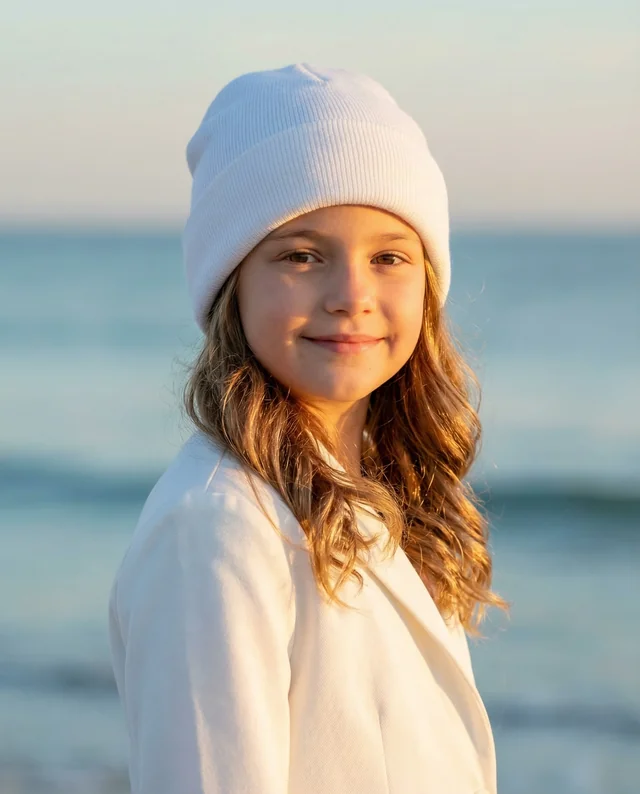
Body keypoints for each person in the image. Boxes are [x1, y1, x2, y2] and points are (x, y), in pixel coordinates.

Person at [107, 62, 508, 794]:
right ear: (231, 284)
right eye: (300, 255)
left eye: (390, 256)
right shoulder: (218, 528)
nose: (351, 295)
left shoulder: (387, 499)